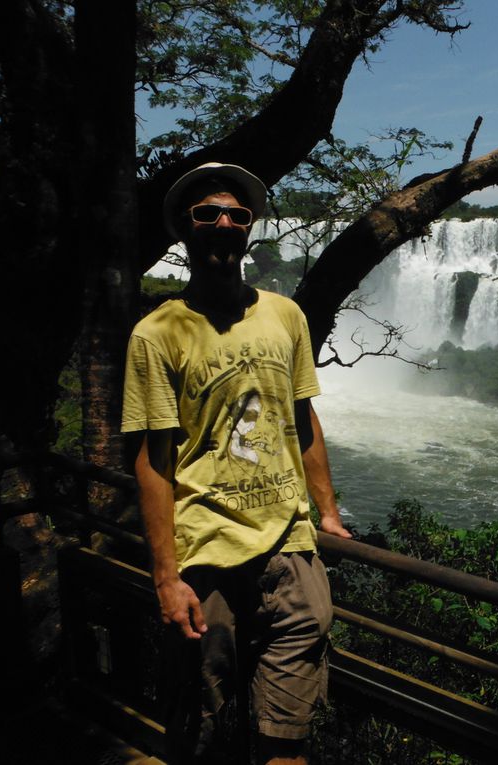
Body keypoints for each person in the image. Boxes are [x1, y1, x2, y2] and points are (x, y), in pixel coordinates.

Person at [122, 161, 352, 765]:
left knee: (288, 737)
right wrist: (166, 577)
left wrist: (327, 513)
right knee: (196, 730)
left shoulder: (286, 315)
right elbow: (153, 461)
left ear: (249, 228)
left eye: (237, 214)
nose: (224, 223)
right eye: (208, 214)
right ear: (185, 230)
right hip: (206, 561)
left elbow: (302, 420)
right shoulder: (158, 332)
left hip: (291, 556)